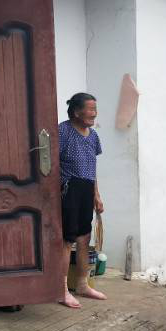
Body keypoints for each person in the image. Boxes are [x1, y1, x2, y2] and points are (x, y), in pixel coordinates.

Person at [58, 92, 107, 309]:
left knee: (84, 239)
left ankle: (82, 285)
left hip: (87, 189)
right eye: (91, 109)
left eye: (95, 109)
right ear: (77, 112)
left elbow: (92, 168)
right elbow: (50, 162)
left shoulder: (93, 136)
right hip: (70, 189)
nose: (94, 114)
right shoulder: (63, 131)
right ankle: (61, 290)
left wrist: (96, 195)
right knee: (67, 240)